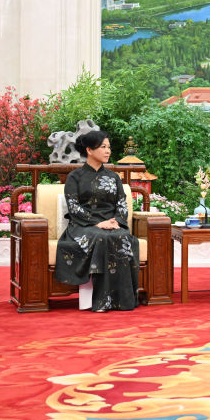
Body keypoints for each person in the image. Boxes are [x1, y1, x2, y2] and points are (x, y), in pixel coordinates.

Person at [54, 130, 140, 312]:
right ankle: (102, 300)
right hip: (83, 225)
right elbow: (73, 206)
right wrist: (97, 223)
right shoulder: (74, 177)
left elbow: (121, 203)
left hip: (111, 223)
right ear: (89, 150)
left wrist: (117, 221)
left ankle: (122, 300)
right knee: (102, 237)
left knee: (124, 238)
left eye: (109, 147)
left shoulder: (114, 177)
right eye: (103, 147)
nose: (108, 151)